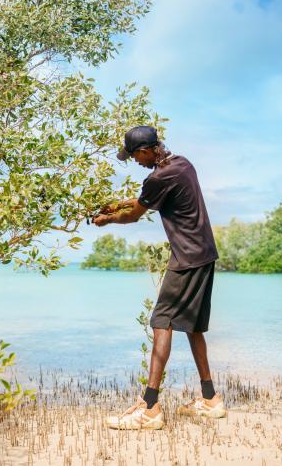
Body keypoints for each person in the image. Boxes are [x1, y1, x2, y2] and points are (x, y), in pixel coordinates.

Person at [93, 125, 226, 430]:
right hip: (205, 255)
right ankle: (210, 399)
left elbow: (135, 214)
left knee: (161, 322)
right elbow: (144, 198)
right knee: (193, 328)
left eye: (134, 156)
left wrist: (109, 219)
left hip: (187, 260)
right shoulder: (182, 164)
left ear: (146, 150)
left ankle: (149, 408)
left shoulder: (157, 177)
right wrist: (116, 203)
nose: (135, 162)